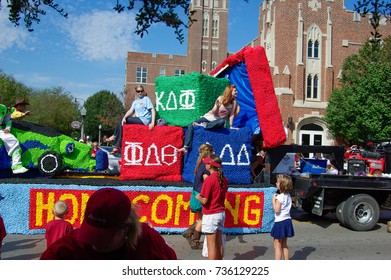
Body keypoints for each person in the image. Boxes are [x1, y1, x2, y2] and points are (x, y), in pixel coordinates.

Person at [40, 188, 177, 260]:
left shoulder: (148, 239)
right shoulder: (63, 251)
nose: (94, 243)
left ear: (126, 229)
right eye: (90, 232)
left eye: (102, 236)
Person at [177, 84, 239, 153]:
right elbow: (213, 111)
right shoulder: (220, 98)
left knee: (222, 121)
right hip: (210, 117)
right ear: (230, 91)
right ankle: (186, 147)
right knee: (191, 125)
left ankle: (204, 125)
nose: (237, 92)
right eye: (235, 91)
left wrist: (231, 126)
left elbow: (232, 114)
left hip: (218, 122)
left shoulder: (234, 102)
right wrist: (217, 107)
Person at [196, 154, 228, 260]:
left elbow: (204, 200)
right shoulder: (224, 179)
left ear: (210, 165)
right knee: (219, 244)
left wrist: (197, 197)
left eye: (206, 163)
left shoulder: (209, 180)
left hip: (211, 214)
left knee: (211, 246)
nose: (205, 164)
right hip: (221, 213)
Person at [107, 85, 156, 154]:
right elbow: (130, 110)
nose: (140, 93)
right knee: (122, 121)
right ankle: (116, 145)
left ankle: (115, 139)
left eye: (141, 91)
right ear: (136, 92)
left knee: (123, 119)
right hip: (138, 119)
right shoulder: (135, 102)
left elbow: (152, 110)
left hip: (144, 120)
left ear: (143, 91)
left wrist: (152, 122)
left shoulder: (146, 99)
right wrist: (124, 118)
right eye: (138, 91)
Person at [182, 143, 214, 249]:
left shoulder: (200, 163)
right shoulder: (206, 166)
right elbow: (207, 181)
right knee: (203, 219)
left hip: (196, 193)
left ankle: (189, 232)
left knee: (201, 218)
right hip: (201, 195)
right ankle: (195, 241)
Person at [0, 98, 28, 174]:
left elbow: (8, 120)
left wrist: (8, 128)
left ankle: (16, 166)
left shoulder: (3, 108)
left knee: (14, 141)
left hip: (0, 130)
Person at [271, 173, 294, 260]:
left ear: (281, 185)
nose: (276, 183)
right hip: (287, 220)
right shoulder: (288, 196)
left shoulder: (279, 198)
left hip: (280, 222)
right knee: (284, 244)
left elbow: (276, 210)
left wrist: (273, 200)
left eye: (277, 182)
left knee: (277, 245)